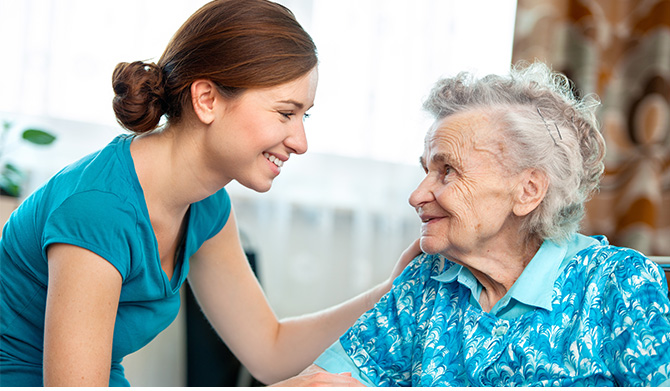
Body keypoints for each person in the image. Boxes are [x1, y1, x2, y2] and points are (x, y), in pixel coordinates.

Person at [0, 0, 419, 386]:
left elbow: (269, 350)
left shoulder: (206, 204)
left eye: (304, 116)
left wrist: (392, 290)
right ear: (206, 99)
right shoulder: (98, 211)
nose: (300, 141)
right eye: (285, 113)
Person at [290, 62, 670, 386]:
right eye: (426, 171)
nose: (416, 196)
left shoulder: (617, 284)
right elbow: (320, 383)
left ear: (528, 191)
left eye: (447, 171)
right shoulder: (427, 281)